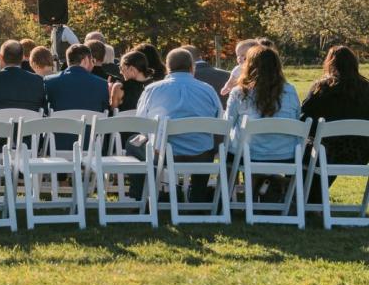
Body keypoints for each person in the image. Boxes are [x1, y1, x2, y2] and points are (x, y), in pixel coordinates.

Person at [126, 47, 226, 201]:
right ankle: (197, 196)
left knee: (133, 143)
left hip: (164, 154)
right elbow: (219, 121)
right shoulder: (208, 90)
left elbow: (142, 124)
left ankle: (141, 196)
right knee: (207, 146)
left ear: (167, 67)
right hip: (200, 154)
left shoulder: (152, 90)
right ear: (192, 67)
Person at [225, 44, 302, 200]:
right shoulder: (291, 90)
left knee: (226, 154)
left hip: (248, 155)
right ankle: (272, 190)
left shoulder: (239, 92)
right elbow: (296, 118)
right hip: (285, 154)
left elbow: (227, 125)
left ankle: (225, 201)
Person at [301, 45, 369, 203]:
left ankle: (306, 199)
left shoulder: (322, 88)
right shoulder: (366, 89)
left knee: (304, 151)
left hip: (326, 152)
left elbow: (305, 118)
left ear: (330, 64)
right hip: (359, 154)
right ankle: (313, 200)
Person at [0, 40, 46, 114]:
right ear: (22, 57)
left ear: (0, 57)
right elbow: (44, 111)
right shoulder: (38, 81)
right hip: (29, 125)